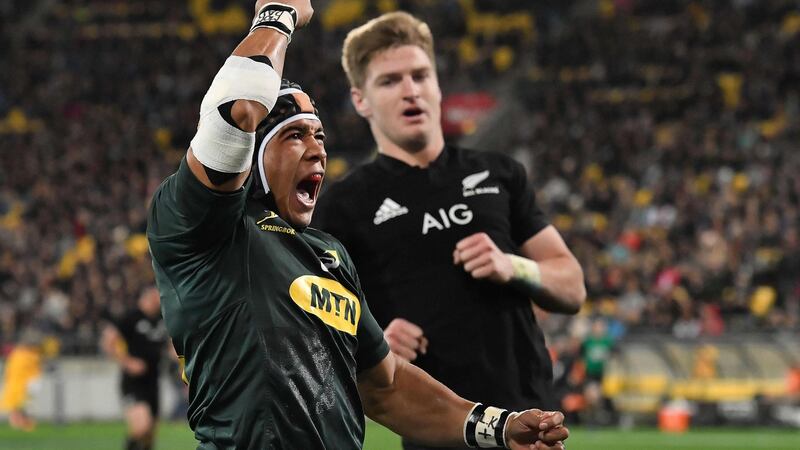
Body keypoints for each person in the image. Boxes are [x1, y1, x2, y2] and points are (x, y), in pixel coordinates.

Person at [147, 1, 569, 449]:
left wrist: (498, 428)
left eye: (320, 136)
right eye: (294, 135)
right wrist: (277, 15)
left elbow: (385, 387)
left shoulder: (329, 255)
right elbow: (234, 109)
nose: (317, 150)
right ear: (251, 155)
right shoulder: (202, 227)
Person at [313, 12, 586, 450]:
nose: (410, 90)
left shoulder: (499, 173)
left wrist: (512, 265)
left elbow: (572, 287)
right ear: (360, 100)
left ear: (438, 85)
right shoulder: (344, 206)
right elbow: (318, 330)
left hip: (530, 423)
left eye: (421, 75)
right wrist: (372, 341)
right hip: (435, 429)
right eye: (390, 81)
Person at [101, 286, 168, 450]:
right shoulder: (131, 317)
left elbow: (170, 345)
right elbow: (108, 342)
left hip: (153, 381)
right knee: (141, 427)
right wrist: (128, 362)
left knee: (149, 435)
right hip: (133, 382)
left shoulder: (162, 319)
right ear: (149, 298)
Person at [0, 327, 44, 431]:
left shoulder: (21, 354)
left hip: (21, 385)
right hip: (21, 385)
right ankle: (22, 424)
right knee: (21, 406)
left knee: (21, 406)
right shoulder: (26, 355)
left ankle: (22, 424)